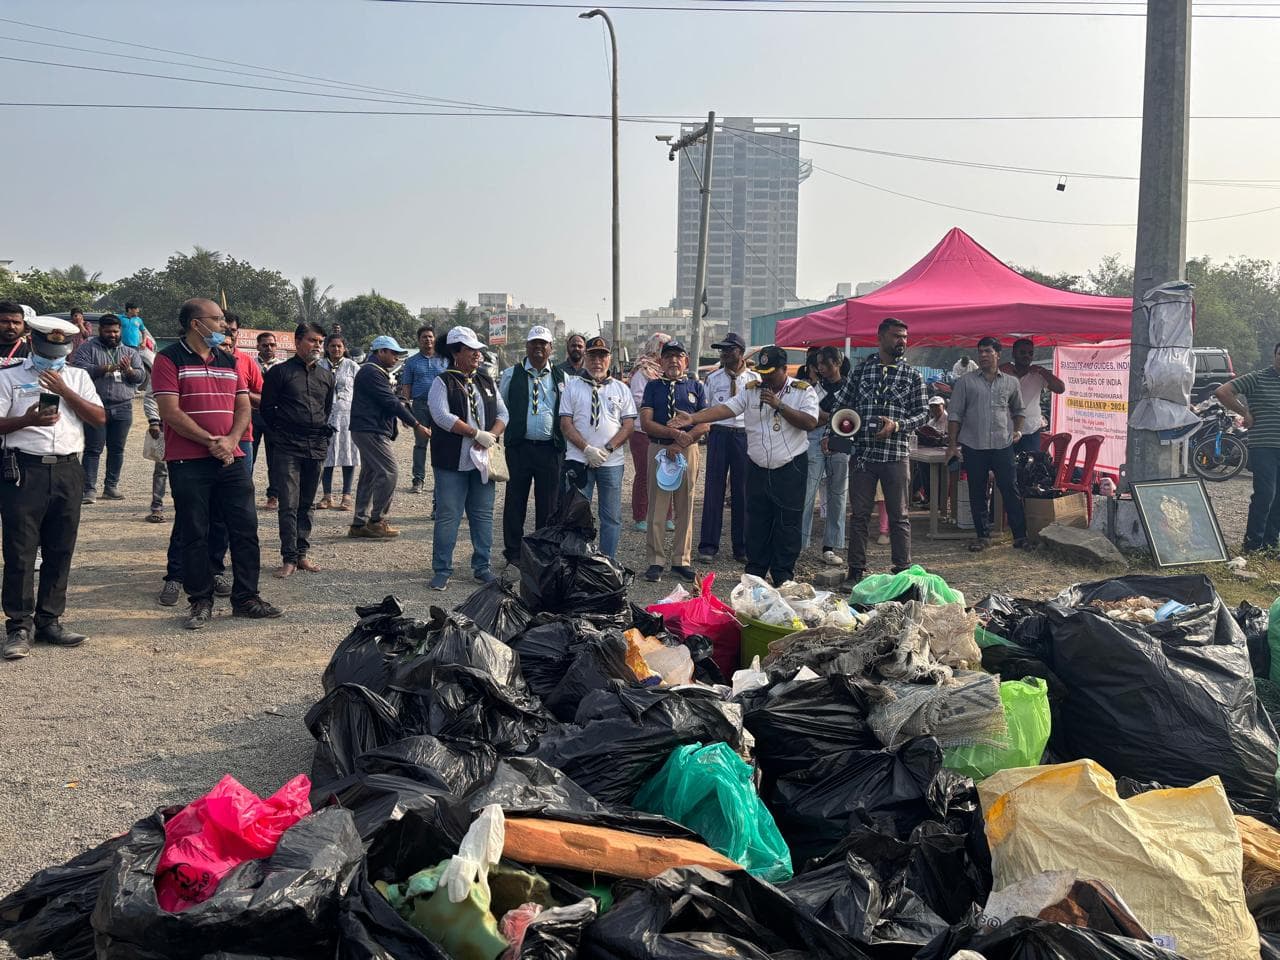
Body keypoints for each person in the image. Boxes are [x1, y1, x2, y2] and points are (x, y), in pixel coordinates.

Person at [152, 299, 281, 629]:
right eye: (218, 319)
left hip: (231, 458)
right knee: (196, 531)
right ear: (197, 324)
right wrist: (212, 442)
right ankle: (200, 600)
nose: (224, 325)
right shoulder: (168, 359)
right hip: (189, 460)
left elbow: (243, 406)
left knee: (245, 528)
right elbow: (170, 412)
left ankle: (246, 598)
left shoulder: (228, 360)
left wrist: (232, 441)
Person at [0, 316, 105, 660]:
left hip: (67, 469)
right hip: (24, 469)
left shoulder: (78, 376)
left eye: (59, 350)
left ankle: (50, 620)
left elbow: (98, 417)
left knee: (61, 548)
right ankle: (18, 625)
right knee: (20, 550)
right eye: (47, 349)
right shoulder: (10, 377)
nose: (52, 356)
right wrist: (28, 420)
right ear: (33, 342)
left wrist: (65, 391)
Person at [671, 345, 818, 586]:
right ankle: (755, 573)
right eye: (763, 372)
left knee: (787, 523)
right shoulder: (752, 391)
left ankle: (783, 575)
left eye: (771, 372)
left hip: (790, 466)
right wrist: (694, 418)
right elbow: (725, 409)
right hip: (758, 465)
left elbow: (810, 422)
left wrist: (779, 405)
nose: (765, 377)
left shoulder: (803, 391)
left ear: (784, 369)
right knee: (757, 520)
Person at [826, 318, 928, 586]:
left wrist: (897, 425)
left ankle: (902, 573)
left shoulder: (913, 375)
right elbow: (841, 405)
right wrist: (833, 433)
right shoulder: (861, 371)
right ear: (880, 337)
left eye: (905, 337)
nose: (902, 341)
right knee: (859, 515)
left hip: (896, 454)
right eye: (896, 336)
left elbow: (923, 414)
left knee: (900, 516)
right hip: (863, 455)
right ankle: (855, 571)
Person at [428, 326, 509, 590]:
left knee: (483, 514)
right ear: (455, 352)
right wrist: (475, 433)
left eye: (478, 350)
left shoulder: (486, 381)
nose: (477, 354)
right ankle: (442, 569)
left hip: (483, 460)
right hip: (452, 460)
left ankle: (482, 567)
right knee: (448, 515)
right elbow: (441, 416)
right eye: (471, 350)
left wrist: (492, 436)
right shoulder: (443, 382)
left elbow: (503, 414)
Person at [260, 322, 334, 579]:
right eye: (313, 341)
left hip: (316, 446)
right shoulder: (279, 373)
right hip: (288, 446)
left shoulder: (326, 376)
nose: (318, 346)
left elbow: (326, 409)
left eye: (320, 342)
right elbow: (267, 410)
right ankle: (288, 558)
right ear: (298, 341)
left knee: (308, 503)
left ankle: (302, 554)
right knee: (289, 503)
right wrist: (282, 435)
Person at [947, 337, 1033, 553]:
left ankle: (1020, 536)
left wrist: (1018, 431)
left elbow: (1019, 410)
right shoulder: (966, 382)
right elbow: (955, 414)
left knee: (1010, 489)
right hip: (973, 445)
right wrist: (952, 444)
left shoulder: (1011, 382)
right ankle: (982, 536)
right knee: (977, 491)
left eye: (987, 351)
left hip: (1002, 444)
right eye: (980, 352)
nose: (983, 355)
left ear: (998, 354)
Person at [559, 336, 636, 562]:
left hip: (611, 462)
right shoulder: (572, 386)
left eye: (602, 355)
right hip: (578, 459)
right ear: (585, 358)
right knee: (576, 514)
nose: (597, 361)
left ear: (609, 358)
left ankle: (606, 563)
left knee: (611, 516)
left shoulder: (621, 389)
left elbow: (629, 424)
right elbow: (565, 423)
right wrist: (587, 449)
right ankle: (576, 561)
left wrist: (608, 449)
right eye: (592, 355)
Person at [349, 335, 431, 540]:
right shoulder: (371, 372)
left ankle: (360, 522)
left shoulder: (374, 371)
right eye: (393, 353)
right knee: (389, 472)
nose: (396, 357)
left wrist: (403, 407)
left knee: (370, 473)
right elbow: (389, 401)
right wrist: (416, 423)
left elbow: (391, 400)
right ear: (380, 352)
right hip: (371, 429)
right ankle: (376, 520)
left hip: (367, 427)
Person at [639, 340, 708, 583]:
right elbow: (646, 422)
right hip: (659, 448)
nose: (673, 361)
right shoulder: (653, 387)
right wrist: (672, 435)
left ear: (686, 361)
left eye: (678, 356)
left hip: (688, 449)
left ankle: (681, 560)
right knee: (657, 506)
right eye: (668, 356)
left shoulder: (695, 387)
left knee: (685, 505)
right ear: (660, 361)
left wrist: (682, 441)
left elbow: (704, 422)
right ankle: (656, 560)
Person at [499, 325, 564, 566]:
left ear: (550, 348)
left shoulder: (562, 377)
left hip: (550, 449)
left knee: (548, 504)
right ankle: (514, 553)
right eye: (534, 343)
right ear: (527, 347)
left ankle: (541, 551)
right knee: (515, 502)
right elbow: (501, 409)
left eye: (543, 343)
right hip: (519, 448)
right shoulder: (510, 374)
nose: (538, 347)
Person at [70, 313, 145, 503]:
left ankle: (111, 487)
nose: (112, 335)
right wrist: (107, 368)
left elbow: (141, 376)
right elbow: (79, 369)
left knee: (117, 449)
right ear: (99, 331)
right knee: (93, 449)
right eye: (108, 331)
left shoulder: (131, 352)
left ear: (120, 331)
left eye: (115, 331)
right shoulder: (87, 348)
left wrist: (128, 371)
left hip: (123, 407)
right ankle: (89, 490)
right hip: (95, 407)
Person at [697, 332, 757, 564]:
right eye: (721, 349)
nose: (723, 353)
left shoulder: (754, 380)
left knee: (742, 492)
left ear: (740, 353)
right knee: (714, 490)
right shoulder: (713, 379)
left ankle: (741, 547)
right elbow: (708, 409)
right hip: (720, 434)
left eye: (728, 349)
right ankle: (708, 546)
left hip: (743, 435)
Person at [1216, 344, 1280, 553]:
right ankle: (1253, 543)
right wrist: (1244, 412)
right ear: (1274, 355)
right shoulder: (1258, 378)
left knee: (1279, 496)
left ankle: (1271, 544)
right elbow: (1223, 392)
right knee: (1265, 493)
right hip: (1264, 445)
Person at [801, 346, 851, 566]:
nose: (821, 368)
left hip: (841, 440)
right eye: (818, 364)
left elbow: (850, 418)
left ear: (837, 363)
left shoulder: (850, 388)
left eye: (825, 363)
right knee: (807, 492)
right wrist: (835, 418)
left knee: (838, 494)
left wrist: (825, 418)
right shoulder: (812, 389)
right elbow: (811, 417)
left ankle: (830, 546)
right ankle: (799, 542)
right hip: (814, 438)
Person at [627, 332, 672, 532]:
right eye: (665, 349)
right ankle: (641, 515)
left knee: (668, 472)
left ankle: (666, 515)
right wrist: (657, 407)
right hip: (642, 431)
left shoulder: (665, 372)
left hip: (664, 429)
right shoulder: (642, 371)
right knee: (645, 473)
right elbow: (637, 399)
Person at [399, 324, 447, 498]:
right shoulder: (411, 362)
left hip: (442, 406)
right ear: (419, 341)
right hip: (420, 405)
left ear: (434, 339)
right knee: (420, 445)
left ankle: (441, 480)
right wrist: (406, 410)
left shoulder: (444, 360)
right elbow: (406, 387)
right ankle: (418, 480)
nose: (428, 340)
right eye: (424, 337)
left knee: (440, 444)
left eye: (430, 336)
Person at [317, 333, 360, 511]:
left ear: (344, 348)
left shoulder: (352, 367)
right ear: (326, 347)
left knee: (348, 454)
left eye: (339, 346)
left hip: (347, 416)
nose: (336, 349)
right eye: (332, 346)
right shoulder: (318, 366)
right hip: (325, 416)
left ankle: (346, 495)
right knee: (326, 455)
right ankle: (327, 496)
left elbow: (361, 389)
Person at [1001, 338, 1066, 454]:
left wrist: (1043, 371)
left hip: (1030, 432)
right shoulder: (1003, 373)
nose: (1027, 356)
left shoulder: (1038, 375)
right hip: (1005, 431)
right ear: (1013, 354)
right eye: (1022, 352)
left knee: (1030, 469)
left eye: (1030, 353)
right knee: (1004, 469)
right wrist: (998, 369)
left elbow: (1060, 388)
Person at [252, 330, 284, 509]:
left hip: (274, 417)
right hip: (252, 415)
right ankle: (245, 493)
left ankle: (274, 495)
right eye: (265, 345)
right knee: (249, 456)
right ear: (258, 347)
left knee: (275, 459)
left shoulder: (283, 367)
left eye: (272, 345)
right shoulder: (250, 364)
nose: (269, 348)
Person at [0, 301, 30, 366]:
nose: (11, 327)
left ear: (23, 325)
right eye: (5, 322)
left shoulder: (31, 353)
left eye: (16, 322)